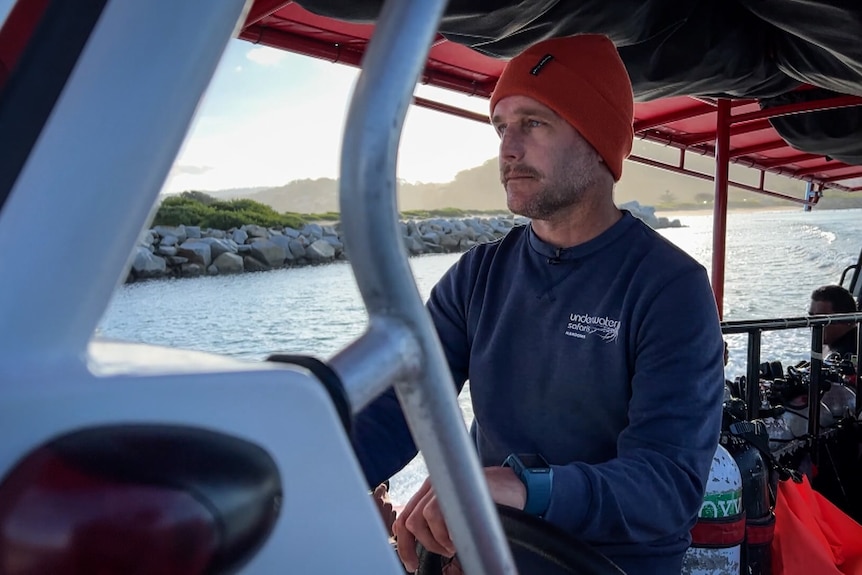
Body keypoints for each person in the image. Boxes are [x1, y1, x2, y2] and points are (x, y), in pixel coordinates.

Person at [352, 34, 725, 574]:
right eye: (502, 127)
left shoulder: (670, 289)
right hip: (489, 556)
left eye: (533, 123)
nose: (507, 149)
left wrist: (521, 488)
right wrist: (318, 475)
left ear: (597, 140)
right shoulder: (477, 277)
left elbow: (666, 486)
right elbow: (399, 408)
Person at [809, 284, 859, 358]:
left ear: (845, 319)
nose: (813, 324)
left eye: (822, 319)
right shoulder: (828, 344)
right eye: (811, 317)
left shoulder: (849, 353)